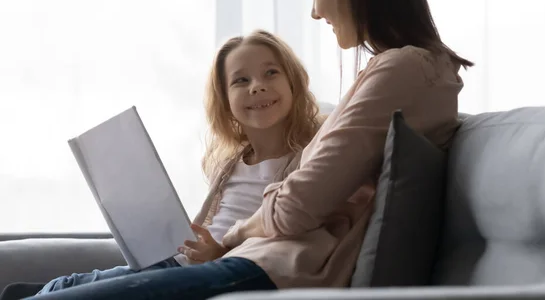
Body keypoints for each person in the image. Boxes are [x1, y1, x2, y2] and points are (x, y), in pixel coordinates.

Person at [30, 0, 473, 298]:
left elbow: (295, 207)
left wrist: (237, 232)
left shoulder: (406, 69)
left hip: (272, 266)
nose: (315, 10)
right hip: (255, 258)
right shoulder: (410, 70)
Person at [4, 30, 321, 299]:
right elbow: (206, 230)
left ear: (293, 81)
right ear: (225, 100)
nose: (256, 86)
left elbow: (282, 235)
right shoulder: (230, 163)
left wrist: (220, 253)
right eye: (241, 79)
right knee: (63, 284)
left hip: (222, 267)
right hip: (178, 262)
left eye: (270, 73)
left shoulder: (310, 156)